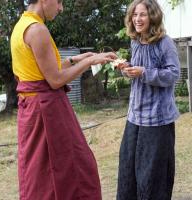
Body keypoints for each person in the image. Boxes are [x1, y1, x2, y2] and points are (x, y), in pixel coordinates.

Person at [10, 0, 117, 199]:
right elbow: (55, 80)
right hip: (46, 111)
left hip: (32, 109)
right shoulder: (37, 29)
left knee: (40, 172)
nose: (60, 8)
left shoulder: (21, 26)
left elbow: (44, 73)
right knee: (76, 168)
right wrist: (89, 62)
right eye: (59, 1)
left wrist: (75, 60)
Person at [116, 0, 180, 199]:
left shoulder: (165, 42)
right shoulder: (135, 41)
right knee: (129, 171)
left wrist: (144, 72)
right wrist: (127, 68)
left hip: (157, 120)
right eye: (134, 15)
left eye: (142, 14)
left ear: (152, 16)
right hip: (135, 117)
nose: (137, 19)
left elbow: (173, 74)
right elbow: (138, 73)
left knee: (153, 175)